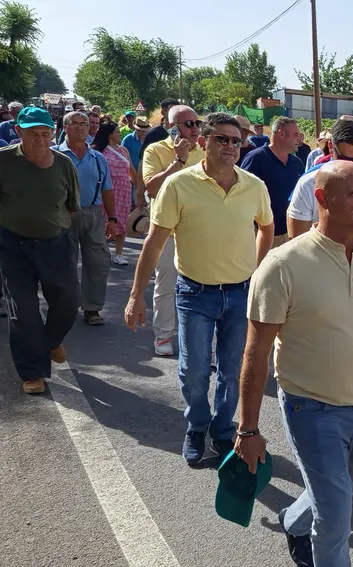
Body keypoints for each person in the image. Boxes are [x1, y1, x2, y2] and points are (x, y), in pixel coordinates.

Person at [235, 161, 353, 567]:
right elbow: (255, 352)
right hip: (310, 407)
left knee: (350, 485)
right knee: (335, 519)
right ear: (321, 199)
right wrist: (248, 428)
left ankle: (293, 520)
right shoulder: (283, 265)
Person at [125, 112, 274, 466]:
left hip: (240, 293)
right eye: (221, 139)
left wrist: (254, 268)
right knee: (193, 370)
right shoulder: (179, 185)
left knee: (232, 367)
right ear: (203, 142)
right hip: (194, 294)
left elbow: (266, 228)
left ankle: (223, 431)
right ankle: (197, 426)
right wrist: (135, 296)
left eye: (236, 141)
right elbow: (154, 242)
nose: (230, 146)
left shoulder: (253, 185)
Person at [0, 107, 80, 395]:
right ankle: (33, 371)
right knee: (23, 312)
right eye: (32, 133)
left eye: (45, 133)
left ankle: (50, 340)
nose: (39, 139)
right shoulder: (4, 161)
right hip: (13, 246)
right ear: (19, 132)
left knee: (68, 303)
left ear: (53, 133)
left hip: (56, 244)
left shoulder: (63, 164)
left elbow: (71, 205)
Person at [141, 105, 206, 357]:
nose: (194, 128)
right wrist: (177, 161)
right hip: (166, 230)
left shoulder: (202, 152)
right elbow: (153, 189)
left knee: (204, 287)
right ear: (171, 127)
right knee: (166, 284)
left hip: (199, 231)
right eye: (188, 124)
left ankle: (204, 344)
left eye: (196, 123)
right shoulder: (156, 150)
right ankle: (163, 335)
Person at [287, 119, 353, 246]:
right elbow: (297, 242)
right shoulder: (308, 184)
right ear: (331, 148)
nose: (349, 166)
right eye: (344, 158)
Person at [54, 111, 116, 327]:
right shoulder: (53, 155)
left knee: (98, 262)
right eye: (75, 123)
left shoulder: (97, 158)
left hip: (93, 214)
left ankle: (92, 308)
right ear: (65, 127)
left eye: (85, 124)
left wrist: (113, 219)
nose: (81, 127)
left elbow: (107, 190)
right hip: (62, 215)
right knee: (64, 263)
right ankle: (64, 307)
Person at [240, 116, 305, 248]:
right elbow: (241, 194)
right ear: (281, 134)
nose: (299, 139)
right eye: (295, 135)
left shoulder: (297, 163)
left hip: (290, 234)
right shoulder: (256, 159)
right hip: (262, 234)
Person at [92, 123, 144, 266]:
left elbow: (131, 171)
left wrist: (139, 192)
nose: (119, 134)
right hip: (106, 190)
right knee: (103, 222)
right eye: (116, 132)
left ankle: (119, 254)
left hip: (123, 191)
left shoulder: (123, 150)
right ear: (110, 135)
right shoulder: (99, 151)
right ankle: (100, 252)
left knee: (122, 222)